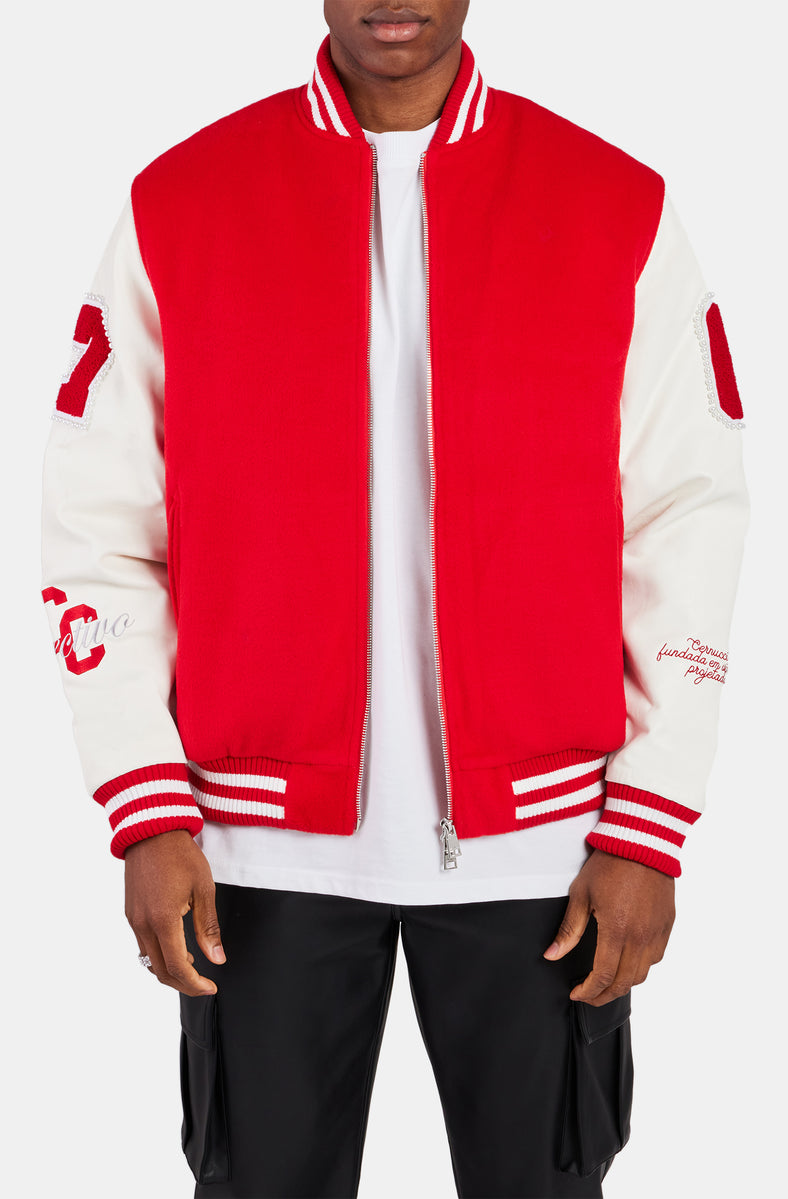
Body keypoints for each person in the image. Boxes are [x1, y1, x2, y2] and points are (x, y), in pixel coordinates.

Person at [40, 2, 749, 1195]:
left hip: (547, 848)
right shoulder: (183, 203)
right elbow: (97, 527)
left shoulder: (610, 205)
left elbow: (688, 514)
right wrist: (146, 807)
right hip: (252, 846)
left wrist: (649, 819)